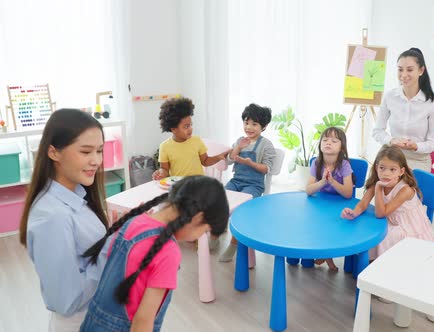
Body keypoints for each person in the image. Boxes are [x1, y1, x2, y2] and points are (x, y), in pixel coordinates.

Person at [80, 176, 229, 331]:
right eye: (205, 231)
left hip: (91, 323)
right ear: (197, 217)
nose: (199, 236)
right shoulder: (169, 252)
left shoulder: (134, 220)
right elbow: (143, 321)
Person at [19, 109, 110, 331]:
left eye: (99, 151)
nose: (96, 160)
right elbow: (65, 301)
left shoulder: (76, 195)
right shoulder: (53, 216)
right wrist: (113, 248)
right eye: (86, 151)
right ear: (54, 152)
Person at [341, 145, 434, 260]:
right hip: (390, 221)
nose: (386, 173)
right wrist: (354, 212)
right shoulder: (377, 182)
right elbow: (363, 204)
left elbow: (380, 213)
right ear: (377, 167)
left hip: (409, 228)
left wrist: (378, 188)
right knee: (366, 231)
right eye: (382, 168)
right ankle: (368, 264)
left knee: (383, 237)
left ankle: (378, 266)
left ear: (401, 171)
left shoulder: (405, 190)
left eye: (392, 169)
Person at [218, 103, 276, 262]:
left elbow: (266, 169)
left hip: (254, 185)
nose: (249, 127)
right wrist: (237, 148)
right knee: (219, 199)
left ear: (263, 127)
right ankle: (216, 234)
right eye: (246, 122)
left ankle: (233, 245)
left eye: (254, 124)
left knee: (240, 209)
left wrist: (250, 163)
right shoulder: (240, 140)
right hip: (236, 181)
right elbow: (229, 161)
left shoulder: (266, 145)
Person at [372, 47, 434, 172]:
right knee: (376, 186)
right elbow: (377, 131)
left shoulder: (432, 102)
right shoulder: (390, 96)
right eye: (400, 70)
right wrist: (391, 140)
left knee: (405, 189)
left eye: (409, 70)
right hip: (392, 156)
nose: (403, 75)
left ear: (421, 70)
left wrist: (416, 146)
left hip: (418, 160)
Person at [305, 127, 354, 271]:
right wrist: (322, 182)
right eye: (325, 140)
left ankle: (327, 256)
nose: (328, 143)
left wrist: (332, 182)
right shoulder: (316, 163)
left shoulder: (344, 165)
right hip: (321, 204)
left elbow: (348, 193)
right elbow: (308, 190)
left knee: (332, 227)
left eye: (334, 141)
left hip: (340, 204)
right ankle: (326, 256)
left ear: (342, 147)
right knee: (317, 225)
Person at [152, 97, 230, 180]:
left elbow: (205, 161)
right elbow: (165, 169)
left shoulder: (197, 141)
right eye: (186, 126)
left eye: (190, 125)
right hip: (180, 186)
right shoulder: (164, 147)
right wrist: (161, 173)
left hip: (198, 183)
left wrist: (218, 157)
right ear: (173, 129)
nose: (190, 129)